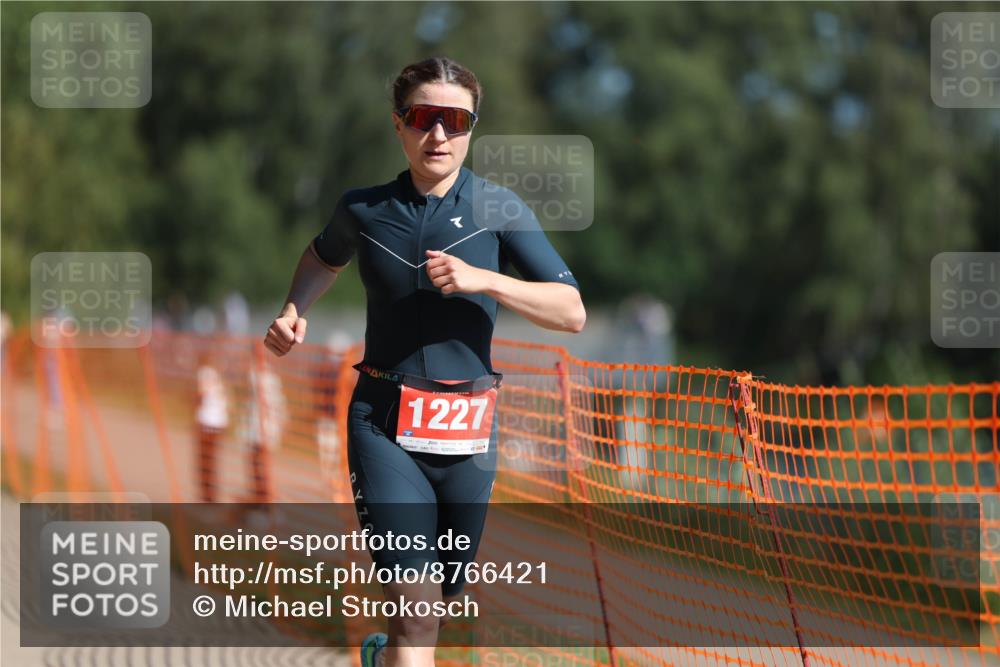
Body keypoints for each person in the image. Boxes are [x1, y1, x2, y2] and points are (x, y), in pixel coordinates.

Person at [264, 56, 585, 667]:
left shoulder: (500, 209)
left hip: (468, 432)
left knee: (439, 601)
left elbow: (570, 312)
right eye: (423, 118)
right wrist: (292, 308)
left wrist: (484, 280)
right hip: (383, 425)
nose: (439, 135)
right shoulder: (363, 209)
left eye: (455, 120)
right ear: (398, 125)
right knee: (415, 612)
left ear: (472, 128)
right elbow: (320, 258)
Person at [194, 350, 229, 502]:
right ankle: (210, 494)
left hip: (207, 422)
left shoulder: (204, 373)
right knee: (211, 459)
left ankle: (207, 495)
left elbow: (200, 394)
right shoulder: (218, 377)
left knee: (206, 459)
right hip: (218, 422)